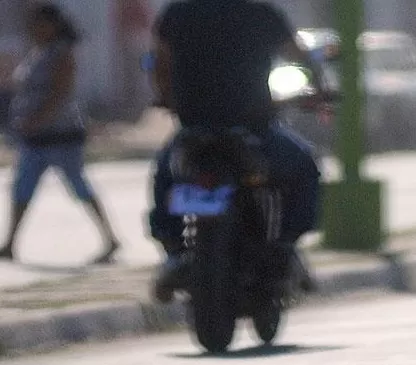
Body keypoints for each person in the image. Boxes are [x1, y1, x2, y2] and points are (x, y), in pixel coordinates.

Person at [148, 0, 325, 301]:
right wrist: (318, 85)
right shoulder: (262, 14)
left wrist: (166, 97)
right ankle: (286, 247)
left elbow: (158, 63)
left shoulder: (177, 14)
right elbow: (298, 56)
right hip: (253, 129)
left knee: (166, 175)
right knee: (305, 167)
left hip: (195, 131)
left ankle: (174, 253)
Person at [0, 3, 120, 263]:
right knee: (22, 188)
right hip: (35, 138)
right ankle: (10, 243)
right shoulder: (37, 53)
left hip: (61, 136)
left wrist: (36, 120)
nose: (35, 30)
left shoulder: (62, 53)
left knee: (79, 187)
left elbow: (60, 93)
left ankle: (110, 239)